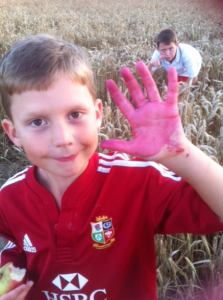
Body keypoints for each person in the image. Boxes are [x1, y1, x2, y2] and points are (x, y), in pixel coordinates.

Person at [0, 34, 223, 300]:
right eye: (37, 122)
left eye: (74, 115)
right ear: (12, 132)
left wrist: (180, 153)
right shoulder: (9, 198)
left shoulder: (137, 181)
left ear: (97, 115)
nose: (62, 140)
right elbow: (12, 254)